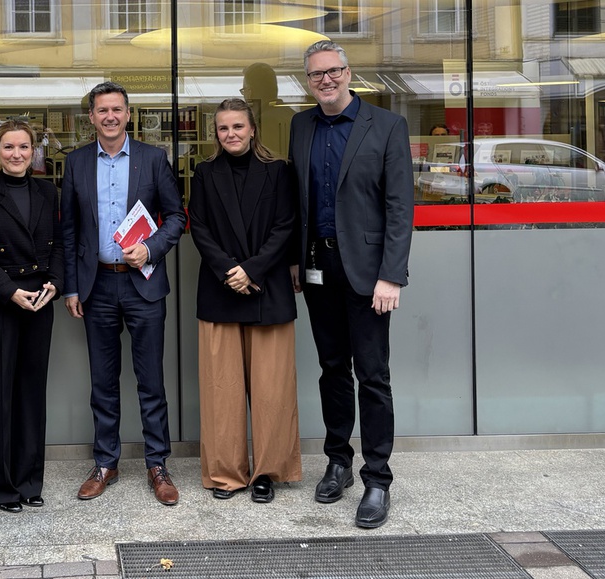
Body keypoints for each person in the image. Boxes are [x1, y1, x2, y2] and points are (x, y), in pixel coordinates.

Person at [287, 40, 414, 529]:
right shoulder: (301, 125)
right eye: (316, 74)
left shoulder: (386, 125)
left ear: (348, 72)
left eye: (333, 71)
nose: (325, 80)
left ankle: (377, 479)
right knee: (331, 368)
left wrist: (391, 275)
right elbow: (300, 201)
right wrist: (298, 262)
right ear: (308, 80)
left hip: (368, 275)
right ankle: (337, 461)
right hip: (318, 270)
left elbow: (400, 208)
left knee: (374, 377)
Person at [60, 81, 188, 506]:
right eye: (102, 110)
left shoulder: (153, 160)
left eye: (117, 109)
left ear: (128, 114)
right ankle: (105, 462)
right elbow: (70, 229)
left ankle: (157, 463)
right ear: (92, 117)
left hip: (144, 284)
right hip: (96, 285)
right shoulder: (76, 163)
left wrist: (150, 247)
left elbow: (176, 216)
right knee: (103, 381)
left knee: (150, 380)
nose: (110, 116)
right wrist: (72, 286)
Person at [189, 98, 302, 503]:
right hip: (220, 288)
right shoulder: (204, 173)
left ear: (253, 129)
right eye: (223, 128)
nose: (231, 134)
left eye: (238, 126)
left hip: (266, 287)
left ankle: (267, 472)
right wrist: (228, 271)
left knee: (272, 389)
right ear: (215, 133)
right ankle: (226, 473)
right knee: (222, 390)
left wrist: (251, 270)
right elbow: (198, 226)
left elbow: (287, 224)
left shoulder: (278, 171)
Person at [0, 120, 63, 513]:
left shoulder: (46, 191)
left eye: (24, 147)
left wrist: (55, 282)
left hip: (40, 303)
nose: (17, 154)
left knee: (30, 397)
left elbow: (59, 242)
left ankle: (29, 481)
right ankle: (1, 488)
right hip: (1, 306)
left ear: (34, 150)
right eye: (9, 147)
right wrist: (9, 291)